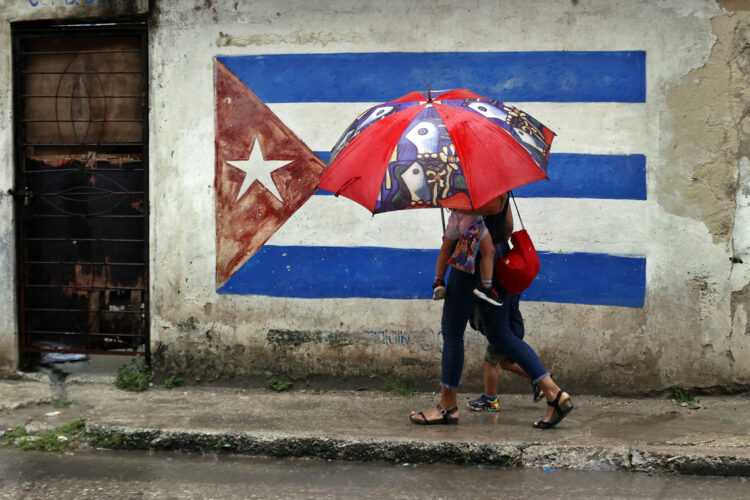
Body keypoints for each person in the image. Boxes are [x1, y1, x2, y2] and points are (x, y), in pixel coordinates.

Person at [410, 194, 574, 429]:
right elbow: (507, 226)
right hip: (498, 256)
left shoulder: (463, 179)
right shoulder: (499, 177)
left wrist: (452, 209)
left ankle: (447, 407)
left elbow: (486, 206)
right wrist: (492, 246)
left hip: (470, 256)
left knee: (453, 331)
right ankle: (555, 394)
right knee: (500, 334)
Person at [465, 302, 544, 412]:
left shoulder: (498, 291)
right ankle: (541, 381)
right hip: (508, 328)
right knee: (506, 364)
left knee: (490, 362)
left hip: (503, 331)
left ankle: (490, 400)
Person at [432, 209, 502, 306]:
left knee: (446, 248)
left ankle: (438, 281)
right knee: (489, 251)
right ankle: (486, 287)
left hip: (454, 218)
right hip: (472, 220)